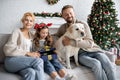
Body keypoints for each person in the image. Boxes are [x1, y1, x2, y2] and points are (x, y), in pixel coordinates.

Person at [54, 5, 116, 80]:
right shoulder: (63, 28)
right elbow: (55, 36)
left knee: (108, 65)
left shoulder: (82, 24)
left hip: (94, 50)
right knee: (96, 64)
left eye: (70, 13)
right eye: (66, 14)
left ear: (74, 13)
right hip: (81, 55)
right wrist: (56, 40)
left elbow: (90, 43)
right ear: (63, 16)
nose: (69, 15)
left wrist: (71, 42)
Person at [3, 12, 44, 80]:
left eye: (31, 21)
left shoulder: (31, 35)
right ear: (22, 21)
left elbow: (33, 50)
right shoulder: (17, 31)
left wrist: (35, 53)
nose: (28, 22)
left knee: (31, 72)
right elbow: (8, 49)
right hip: (12, 61)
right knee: (38, 61)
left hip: (23, 63)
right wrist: (27, 53)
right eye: (26, 20)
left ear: (33, 23)